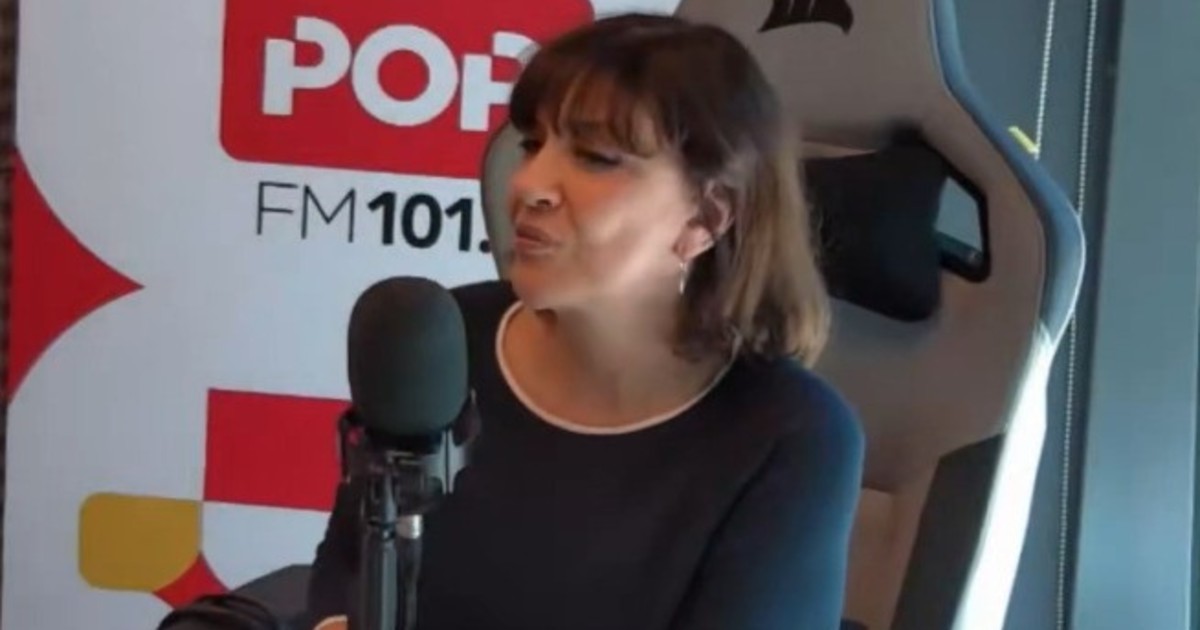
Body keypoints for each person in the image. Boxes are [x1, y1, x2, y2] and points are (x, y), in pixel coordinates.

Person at [304, 12, 864, 630]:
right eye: (532, 144)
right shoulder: (443, 340)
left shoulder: (793, 433)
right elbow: (348, 569)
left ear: (705, 218)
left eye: (596, 158)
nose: (529, 185)